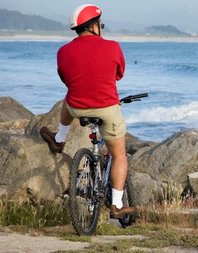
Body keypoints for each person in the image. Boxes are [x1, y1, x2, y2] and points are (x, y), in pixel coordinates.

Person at [39, 4, 136, 219]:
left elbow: (66, 79)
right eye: (100, 24)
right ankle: (117, 206)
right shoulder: (112, 47)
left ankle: (60, 138)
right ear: (94, 26)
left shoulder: (63, 51)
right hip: (107, 108)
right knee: (119, 155)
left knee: (69, 97)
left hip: (76, 106)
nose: (101, 27)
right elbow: (119, 74)